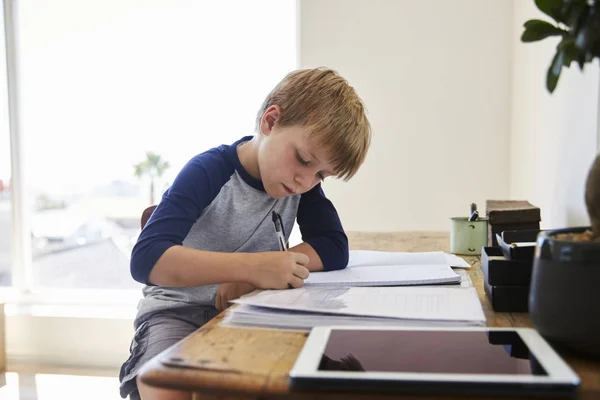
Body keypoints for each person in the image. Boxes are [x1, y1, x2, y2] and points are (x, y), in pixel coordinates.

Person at [119, 67, 371, 400]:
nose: (305, 181)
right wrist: (251, 268)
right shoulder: (208, 170)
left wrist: (264, 273)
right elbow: (146, 259)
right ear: (270, 122)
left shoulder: (301, 187)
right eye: (303, 160)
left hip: (245, 312)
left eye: (321, 175)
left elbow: (335, 246)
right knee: (169, 387)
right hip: (176, 314)